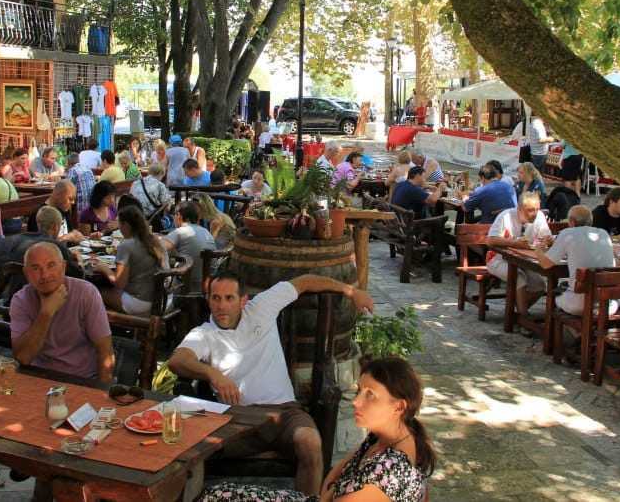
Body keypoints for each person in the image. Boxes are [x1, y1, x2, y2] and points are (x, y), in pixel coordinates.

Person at [169, 271, 375, 494]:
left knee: (311, 442)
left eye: (229, 298)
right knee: (192, 448)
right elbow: (177, 360)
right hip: (235, 421)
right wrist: (213, 374)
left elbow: (304, 282)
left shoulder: (261, 307)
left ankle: (306, 500)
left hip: (284, 413)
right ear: (208, 300)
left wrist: (352, 291)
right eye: (215, 298)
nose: (221, 306)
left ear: (243, 300)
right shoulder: (205, 334)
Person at [200, 356, 433, 502]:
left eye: (370, 395)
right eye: (359, 390)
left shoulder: (392, 471)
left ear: (398, 406)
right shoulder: (382, 436)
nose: (356, 401)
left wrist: (328, 494)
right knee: (217, 494)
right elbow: (335, 472)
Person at [10, 242, 115, 381]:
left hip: (83, 380)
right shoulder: (20, 300)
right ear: (26, 273)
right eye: (36, 268)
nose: (45, 275)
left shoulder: (86, 293)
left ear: (63, 267)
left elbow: (105, 350)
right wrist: (46, 312)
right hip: (39, 378)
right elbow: (23, 357)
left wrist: (101, 394)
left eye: (51, 265)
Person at [534, 205, 615, 315]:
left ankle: (574, 331)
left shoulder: (568, 234)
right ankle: (579, 330)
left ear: (571, 221)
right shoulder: (603, 234)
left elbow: (545, 264)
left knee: (556, 295)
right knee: (569, 288)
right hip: (607, 304)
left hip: (580, 304)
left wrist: (539, 250)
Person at [487, 191, 551, 322]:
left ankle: (516, 313)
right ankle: (524, 319)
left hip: (524, 260)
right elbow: (491, 240)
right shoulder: (506, 216)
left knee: (539, 286)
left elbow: (545, 236)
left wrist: (548, 240)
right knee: (520, 279)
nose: (535, 213)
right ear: (520, 209)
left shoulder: (539, 217)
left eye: (537, 209)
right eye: (530, 210)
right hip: (498, 259)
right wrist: (513, 242)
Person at [100, 206, 168, 314]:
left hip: (140, 302)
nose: (119, 228)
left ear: (126, 225)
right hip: (164, 300)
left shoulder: (126, 246)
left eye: (119, 223)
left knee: (97, 291)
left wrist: (103, 268)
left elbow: (119, 284)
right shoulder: (156, 240)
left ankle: (105, 328)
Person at [162, 202, 216, 292]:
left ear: (178, 215)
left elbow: (158, 248)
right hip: (208, 285)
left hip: (186, 285)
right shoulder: (206, 232)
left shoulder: (180, 231)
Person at [26, 180, 83, 245]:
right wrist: (65, 238)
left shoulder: (64, 209)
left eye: (74, 199)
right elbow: (40, 246)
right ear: (57, 194)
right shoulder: (39, 214)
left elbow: (69, 234)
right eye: (70, 199)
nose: (73, 202)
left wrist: (75, 236)